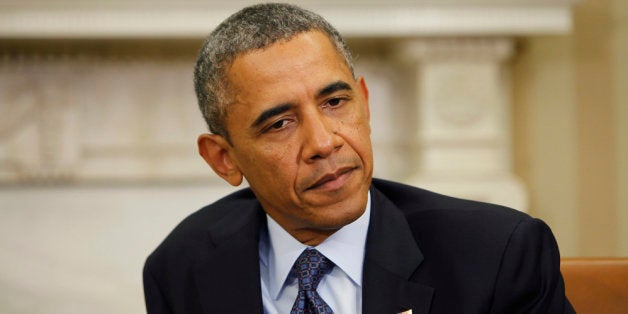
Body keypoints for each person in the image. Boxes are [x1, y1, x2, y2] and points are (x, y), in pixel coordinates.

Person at [143, 3, 575, 313]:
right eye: (279, 124)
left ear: (364, 103)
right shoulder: (183, 268)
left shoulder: (496, 253)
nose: (324, 143)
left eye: (334, 102)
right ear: (223, 159)